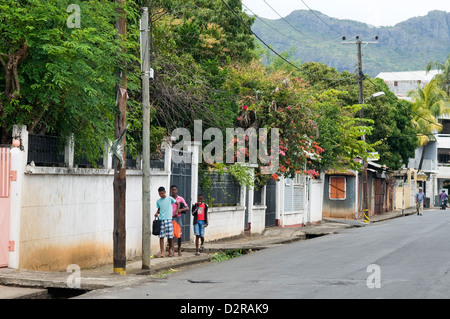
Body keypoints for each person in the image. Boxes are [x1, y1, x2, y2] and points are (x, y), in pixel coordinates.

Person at [155, 186, 179, 257]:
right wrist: (157, 213)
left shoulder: (170, 198)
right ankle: (162, 252)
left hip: (168, 219)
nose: (161, 195)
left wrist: (177, 212)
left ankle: (171, 251)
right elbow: (159, 209)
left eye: (162, 193)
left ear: (165, 192)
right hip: (161, 220)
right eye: (160, 194)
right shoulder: (158, 201)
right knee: (161, 237)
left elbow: (178, 203)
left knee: (170, 236)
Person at [170, 185, 189, 256]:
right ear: (171, 191)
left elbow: (187, 208)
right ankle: (172, 250)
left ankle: (179, 249)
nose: (174, 191)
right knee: (171, 235)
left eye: (175, 190)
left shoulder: (180, 199)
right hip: (171, 218)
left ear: (177, 191)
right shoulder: (169, 199)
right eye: (172, 190)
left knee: (179, 235)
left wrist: (180, 210)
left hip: (178, 218)